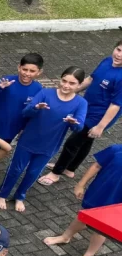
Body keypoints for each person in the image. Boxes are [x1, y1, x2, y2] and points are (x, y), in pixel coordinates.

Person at [0, 68, 87, 213]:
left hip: (49, 146)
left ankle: (20, 196)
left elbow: (79, 127)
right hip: (28, 141)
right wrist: (36, 108)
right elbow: (26, 112)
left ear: (79, 85)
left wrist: (74, 122)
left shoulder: (80, 103)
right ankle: (3, 194)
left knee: (33, 172)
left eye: (72, 83)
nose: (66, 86)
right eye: (64, 80)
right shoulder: (46, 93)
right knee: (16, 169)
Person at [44, 41, 122, 185]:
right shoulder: (107, 61)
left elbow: (115, 105)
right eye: (118, 49)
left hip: (98, 117)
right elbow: (91, 79)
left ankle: (56, 173)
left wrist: (100, 126)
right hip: (87, 108)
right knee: (86, 140)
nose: (119, 55)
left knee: (72, 142)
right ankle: (70, 169)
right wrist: (70, 92)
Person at [44, 143, 122, 256]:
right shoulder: (116, 150)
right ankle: (65, 237)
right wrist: (81, 184)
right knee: (82, 217)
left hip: (116, 203)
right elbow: (97, 165)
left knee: (101, 229)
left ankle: (88, 255)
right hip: (99, 192)